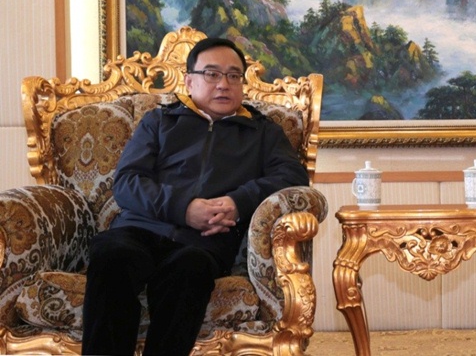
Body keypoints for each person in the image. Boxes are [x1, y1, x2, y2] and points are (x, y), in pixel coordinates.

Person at [82, 37, 310, 356]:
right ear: (189, 81)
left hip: (205, 241)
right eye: (212, 74)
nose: (223, 84)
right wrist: (184, 209)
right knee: (112, 257)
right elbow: (127, 182)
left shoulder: (263, 132)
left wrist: (237, 202)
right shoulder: (159, 121)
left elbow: (293, 177)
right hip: (139, 229)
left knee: (189, 270)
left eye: (233, 75)